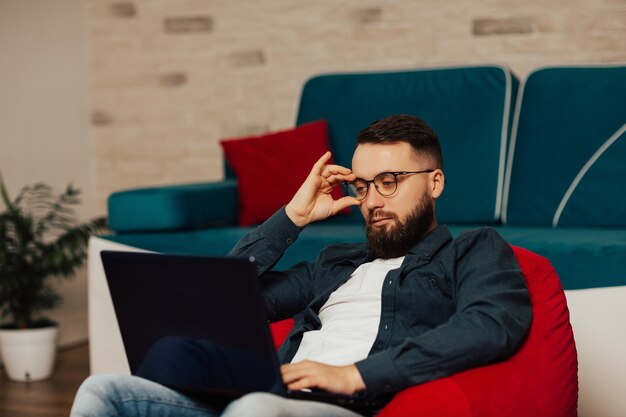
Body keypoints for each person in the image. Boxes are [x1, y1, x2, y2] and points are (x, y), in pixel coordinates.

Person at [70, 114, 532, 417]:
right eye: (364, 185)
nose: (372, 200)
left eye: (389, 182)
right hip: (269, 396)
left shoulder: (472, 249)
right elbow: (223, 304)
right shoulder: (333, 264)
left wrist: (354, 374)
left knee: (252, 410)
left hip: (341, 405)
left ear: (434, 183)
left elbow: (491, 324)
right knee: (101, 391)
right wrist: (293, 216)